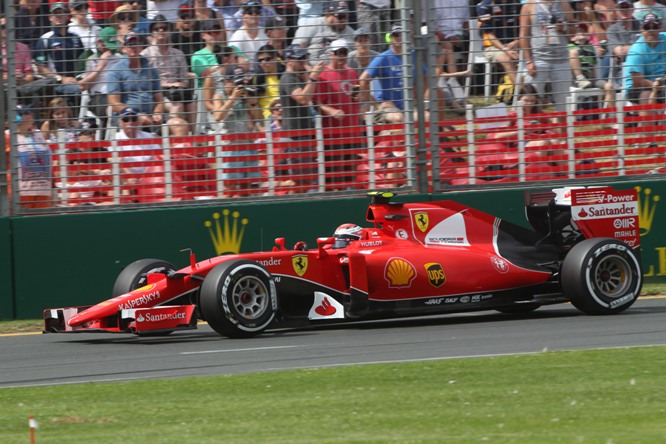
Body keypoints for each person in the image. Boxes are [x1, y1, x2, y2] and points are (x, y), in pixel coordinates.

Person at [313, 39, 361, 189]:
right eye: (338, 53)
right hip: (333, 135)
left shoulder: (352, 72)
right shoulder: (324, 76)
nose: (342, 56)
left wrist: (358, 97)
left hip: (352, 132)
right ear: (330, 54)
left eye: (344, 52)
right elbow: (317, 103)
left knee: (350, 173)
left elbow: (356, 94)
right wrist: (332, 111)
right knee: (333, 176)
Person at [208, 65, 262, 195]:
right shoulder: (219, 96)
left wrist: (252, 103)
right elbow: (217, 116)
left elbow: (258, 118)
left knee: (248, 187)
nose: (240, 85)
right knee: (229, 188)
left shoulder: (246, 95)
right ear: (227, 81)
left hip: (248, 145)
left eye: (242, 81)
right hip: (230, 147)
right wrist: (232, 98)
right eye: (236, 82)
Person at [279, 44, 326, 188]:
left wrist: (309, 71)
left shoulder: (297, 76)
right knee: (298, 182)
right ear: (288, 60)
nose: (302, 62)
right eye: (299, 59)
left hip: (302, 135)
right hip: (294, 136)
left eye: (304, 58)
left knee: (306, 180)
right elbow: (303, 98)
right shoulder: (288, 79)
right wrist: (312, 77)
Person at [519, 0, 575, 119]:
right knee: (530, 100)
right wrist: (529, 61)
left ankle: (563, 136)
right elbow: (523, 35)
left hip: (561, 60)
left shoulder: (564, 4)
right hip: (538, 59)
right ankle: (530, 133)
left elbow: (573, 31)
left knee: (563, 103)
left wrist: (564, 27)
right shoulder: (529, 5)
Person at [142, 16, 195, 126]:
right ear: (152, 33)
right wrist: (166, 84)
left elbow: (185, 80)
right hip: (156, 92)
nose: (161, 30)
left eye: (164, 28)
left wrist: (176, 85)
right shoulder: (145, 55)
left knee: (192, 104)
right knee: (177, 106)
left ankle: (195, 139)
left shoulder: (178, 54)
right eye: (157, 29)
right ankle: (176, 138)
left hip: (176, 91)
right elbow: (144, 81)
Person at [107, 33, 165, 129]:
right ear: (124, 48)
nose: (134, 47)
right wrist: (135, 115)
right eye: (130, 45)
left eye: (137, 44)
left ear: (142, 47)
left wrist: (157, 113)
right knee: (135, 124)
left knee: (178, 124)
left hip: (150, 114)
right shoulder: (115, 71)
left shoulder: (151, 69)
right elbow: (114, 103)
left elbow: (159, 100)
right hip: (125, 116)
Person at [34, 2, 85, 105]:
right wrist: (61, 79)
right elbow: (41, 68)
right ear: (50, 18)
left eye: (61, 13)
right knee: (78, 91)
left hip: (77, 81)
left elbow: (83, 62)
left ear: (67, 16)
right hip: (56, 83)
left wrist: (80, 78)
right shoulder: (45, 39)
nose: (59, 16)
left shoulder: (76, 38)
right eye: (55, 14)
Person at [9, 104, 54, 209]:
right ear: (18, 117)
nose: (32, 115)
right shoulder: (9, 137)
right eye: (27, 113)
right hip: (22, 191)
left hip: (43, 189)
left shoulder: (38, 134)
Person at [624, 14, 666, 121]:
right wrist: (657, 85)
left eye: (654, 27)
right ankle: (648, 135)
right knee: (646, 95)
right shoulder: (636, 50)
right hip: (637, 87)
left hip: (661, 83)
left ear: (659, 28)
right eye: (647, 27)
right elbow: (637, 81)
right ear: (641, 29)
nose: (651, 31)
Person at [476, 0, 521, 86]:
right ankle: (525, 94)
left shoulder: (515, 3)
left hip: (516, 43)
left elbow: (524, 28)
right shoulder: (484, 6)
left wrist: (517, 41)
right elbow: (489, 35)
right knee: (506, 59)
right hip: (493, 46)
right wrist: (506, 50)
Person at [112, 107, 161, 177]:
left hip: (149, 175)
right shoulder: (116, 138)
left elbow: (158, 156)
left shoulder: (148, 137)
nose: (130, 123)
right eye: (126, 120)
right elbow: (116, 160)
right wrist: (131, 177)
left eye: (133, 119)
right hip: (126, 178)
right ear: (120, 123)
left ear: (138, 122)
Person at [192, 20, 228, 87]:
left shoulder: (231, 49)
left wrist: (214, 69)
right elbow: (206, 75)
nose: (214, 34)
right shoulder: (198, 56)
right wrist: (227, 65)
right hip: (208, 93)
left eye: (217, 32)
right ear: (203, 35)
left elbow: (245, 65)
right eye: (210, 32)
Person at [254, 44, 284, 122]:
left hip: (284, 115)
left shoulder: (285, 77)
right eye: (260, 60)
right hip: (268, 120)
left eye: (267, 59)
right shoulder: (257, 80)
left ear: (275, 59)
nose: (263, 63)